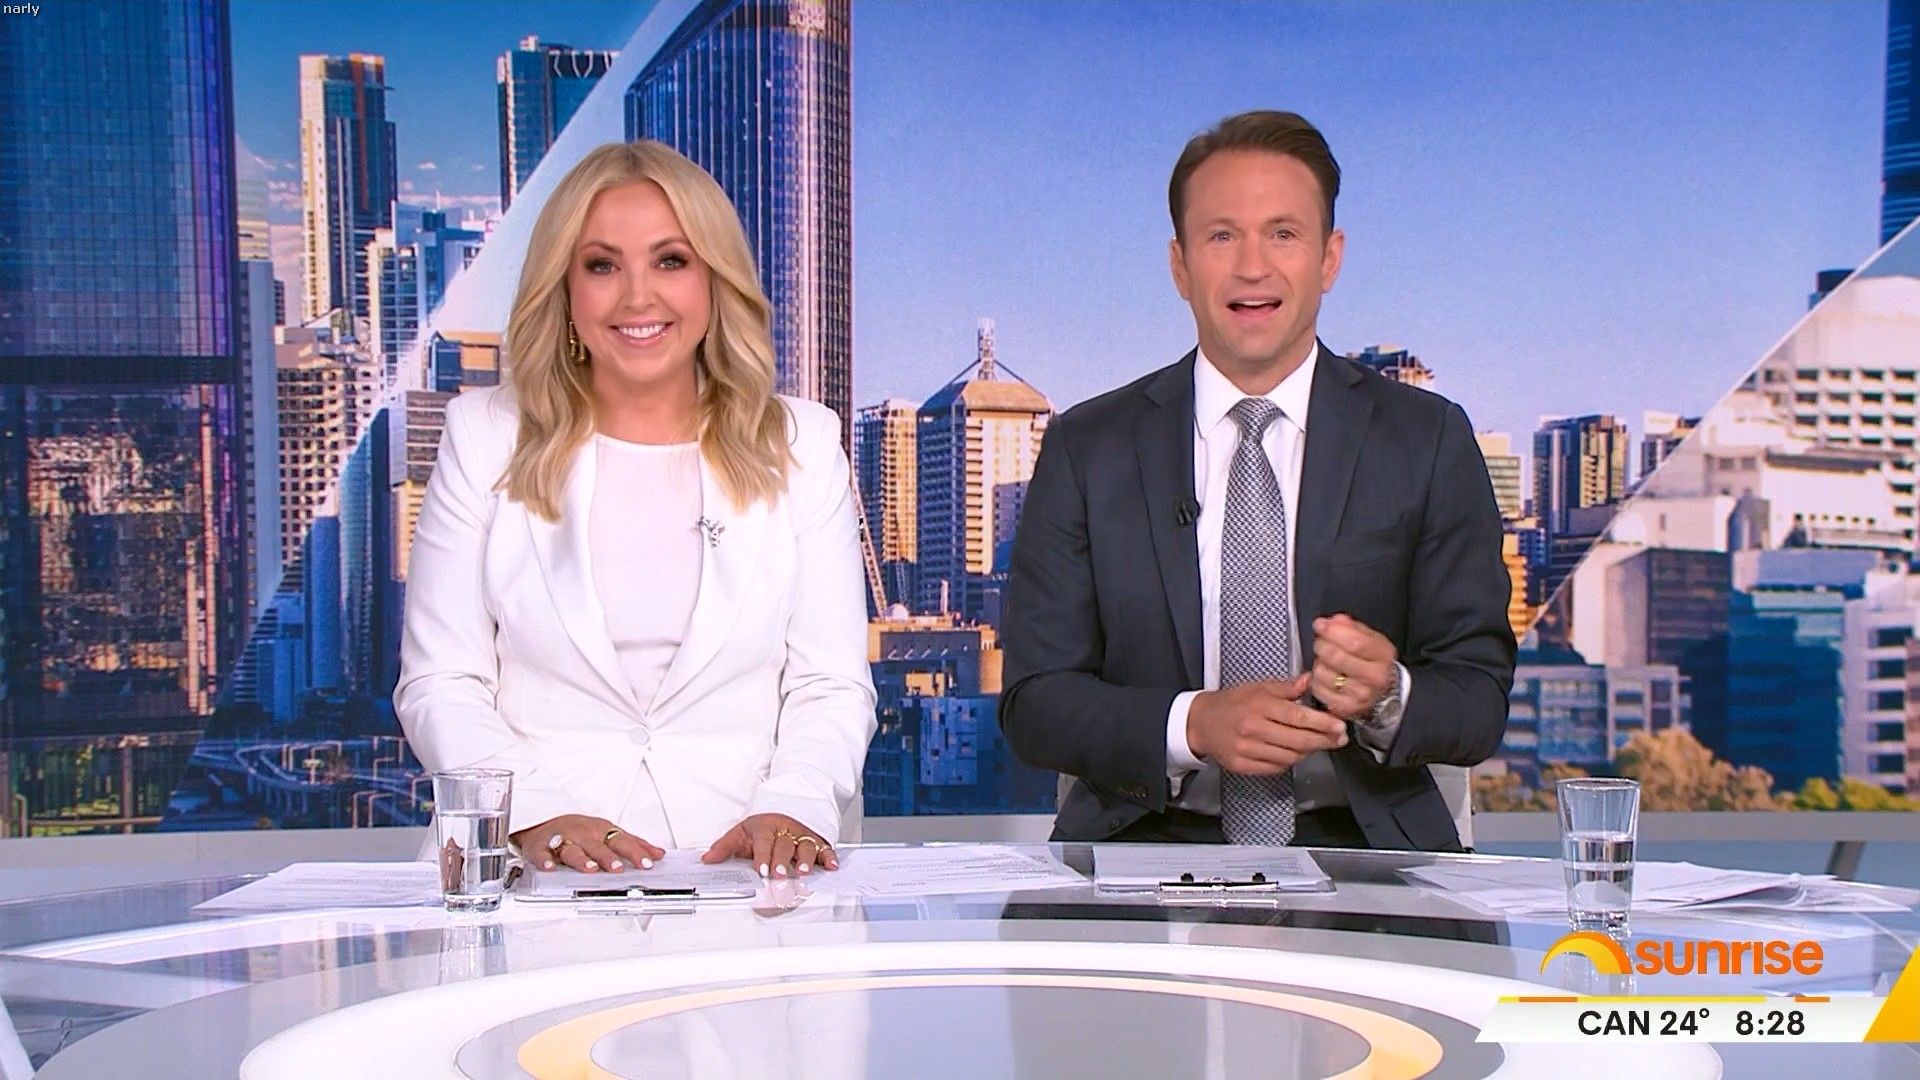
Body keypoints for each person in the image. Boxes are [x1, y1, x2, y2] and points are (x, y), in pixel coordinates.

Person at [999, 110, 1515, 851]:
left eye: (1283, 234)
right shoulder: (1089, 447)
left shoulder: (1425, 440)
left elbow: (1478, 699)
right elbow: (1035, 703)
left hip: (1364, 853)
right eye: (1221, 236)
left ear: (1329, 258)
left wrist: (1387, 696)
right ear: (1180, 266)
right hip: (1145, 845)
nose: (1252, 267)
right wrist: (1193, 724)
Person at [397, 141, 875, 880]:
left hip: (746, 872)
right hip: (532, 874)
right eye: (602, 266)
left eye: (670, 260)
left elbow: (831, 684)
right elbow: (441, 681)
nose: (637, 298)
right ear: (563, 289)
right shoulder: (484, 435)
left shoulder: (802, 443)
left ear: (715, 282)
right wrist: (534, 813)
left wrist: (794, 804)